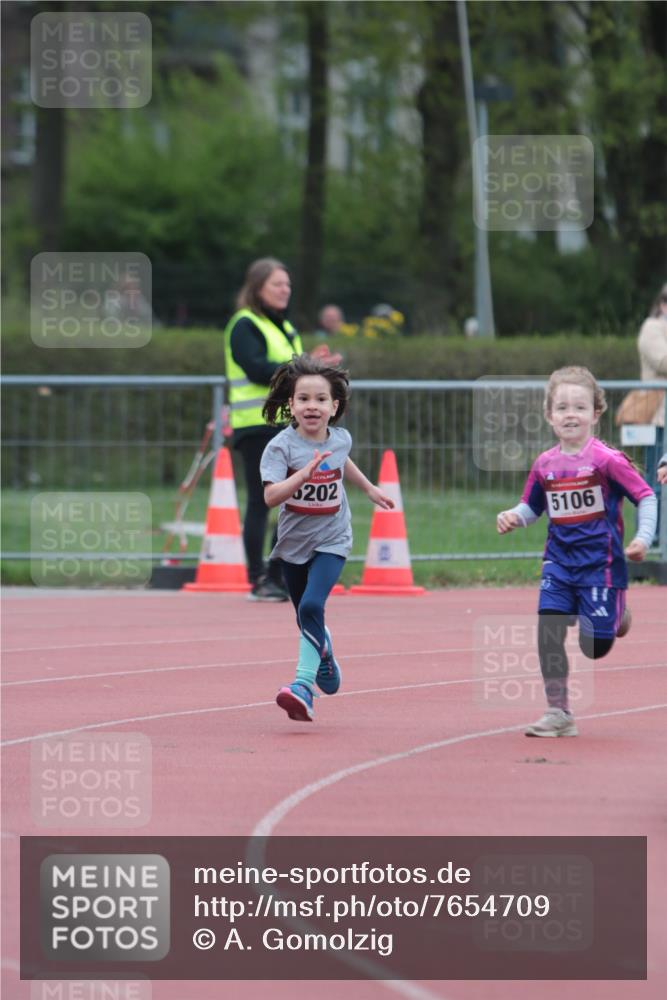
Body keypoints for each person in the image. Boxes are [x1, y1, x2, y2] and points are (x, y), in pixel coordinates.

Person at [496, 366, 657, 738]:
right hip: (559, 562)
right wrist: (512, 517)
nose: (571, 414)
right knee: (548, 630)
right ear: (550, 415)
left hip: (601, 566)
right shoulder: (544, 464)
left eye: (580, 408)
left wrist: (643, 540)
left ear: (595, 414)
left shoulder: (607, 460)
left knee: (595, 646)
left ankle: (617, 615)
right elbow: (531, 509)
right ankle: (558, 712)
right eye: (563, 407)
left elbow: (646, 496)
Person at [260, 354, 395, 722]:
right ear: (291, 404)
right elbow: (271, 497)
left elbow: (342, 459)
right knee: (306, 618)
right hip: (293, 544)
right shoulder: (280, 448)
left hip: (333, 538)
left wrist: (368, 487)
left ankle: (303, 686)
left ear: (334, 407)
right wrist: (301, 476)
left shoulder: (340, 439)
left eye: (320, 399)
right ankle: (325, 651)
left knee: (311, 607)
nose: (312, 406)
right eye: (303, 399)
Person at [224, 258, 340, 602]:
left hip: (287, 425)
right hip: (256, 425)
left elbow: (293, 373)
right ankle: (259, 578)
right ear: (257, 287)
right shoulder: (244, 324)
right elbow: (257, 368)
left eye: (287, 285)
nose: (284, 290)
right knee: (264, 501)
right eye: (277, 284)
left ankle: (279, 572)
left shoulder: (286, 327)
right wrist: (299, 369)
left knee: (296, 498)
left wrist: (316, 366)